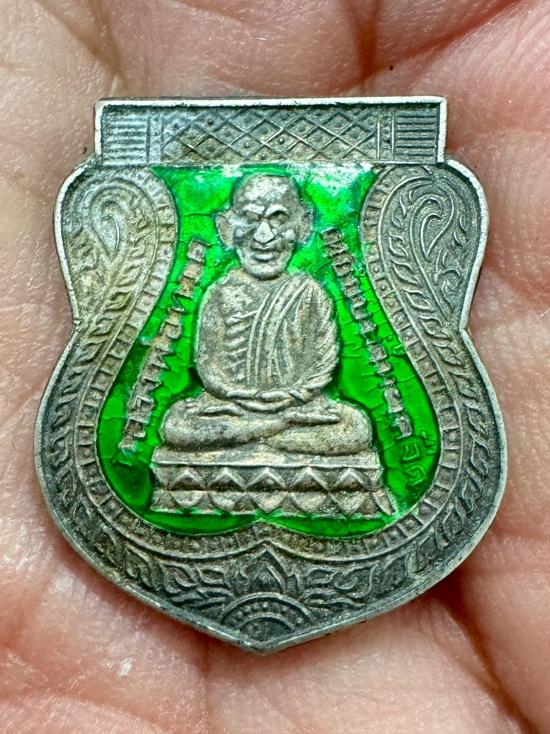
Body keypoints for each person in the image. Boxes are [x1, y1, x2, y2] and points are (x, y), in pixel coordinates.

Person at [162, 174, 372, 455]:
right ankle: (273, 430)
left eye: (279, 219)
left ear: (303, 224)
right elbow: (208, 366)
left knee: (355, 427)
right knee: (176, 424)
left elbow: (323, 364)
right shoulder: (220, 292)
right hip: (232, 407)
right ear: (225, 227)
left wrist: (293, 396)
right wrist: (238, 395)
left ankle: (258, 433)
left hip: (299, 406)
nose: (264, 236)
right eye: (250, 219)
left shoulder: (310, 292)